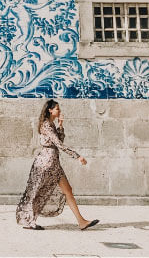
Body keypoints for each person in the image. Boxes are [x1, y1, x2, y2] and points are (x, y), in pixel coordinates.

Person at [16, 99, 99, 231]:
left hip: (54, 164)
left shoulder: (51, 124)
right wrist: (77, 156)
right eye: (57, 109)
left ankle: (81, 221)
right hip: (46, 164)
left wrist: (60, 125)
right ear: (50, 110)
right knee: (38, 192)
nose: (59, 111)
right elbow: (59, 144)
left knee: (67, 190)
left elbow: (59, 140)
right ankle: (29, 221)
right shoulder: (46, 125)